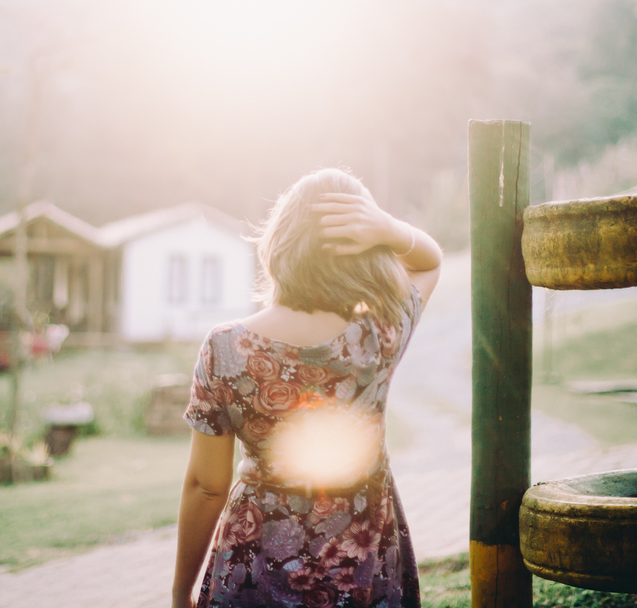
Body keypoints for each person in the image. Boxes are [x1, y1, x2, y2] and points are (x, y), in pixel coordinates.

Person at [172, 168, 443, 608]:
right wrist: (388, 229)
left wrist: (179, 591)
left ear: (279, 241)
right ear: (367, 251)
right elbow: (429, 261)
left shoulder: (224, 349)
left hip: (253, 570)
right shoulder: (378, 333)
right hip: (363, 570)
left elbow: (206, 486)